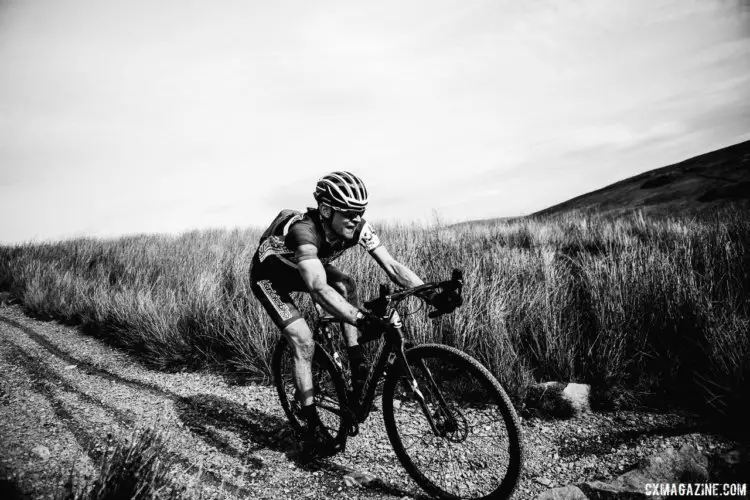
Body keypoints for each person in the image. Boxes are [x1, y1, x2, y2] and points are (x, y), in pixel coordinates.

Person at [250, 171, 440, 462]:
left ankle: (357, 365)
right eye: (350, 212)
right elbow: (316, 287)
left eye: (361, 212)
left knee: (346, 284)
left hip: (303, 268)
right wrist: (360, 319)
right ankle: (311, 428)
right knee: (303, 342)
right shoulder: (304, 231)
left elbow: (392, 266)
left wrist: (431, 293)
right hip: (271, 278)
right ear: (326, 210)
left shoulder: (358, 228)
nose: (357, 218)